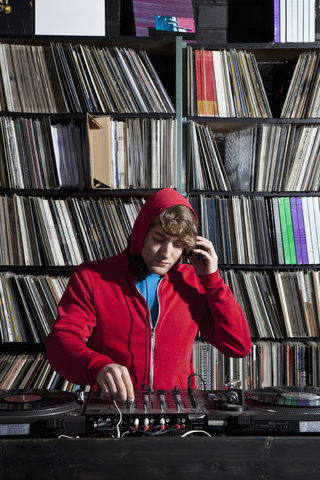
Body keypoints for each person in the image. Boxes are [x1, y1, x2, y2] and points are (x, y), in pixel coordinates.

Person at [45, 188, 251, 402]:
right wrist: (97, 366)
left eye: (178, 244)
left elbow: (237, 345)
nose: (166, 253)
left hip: (176, 415)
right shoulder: (91, 276)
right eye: (158, 239)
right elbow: (61, 341)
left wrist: (212, 281)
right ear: (141, 234)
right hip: (113, 409)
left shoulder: (194, 282)